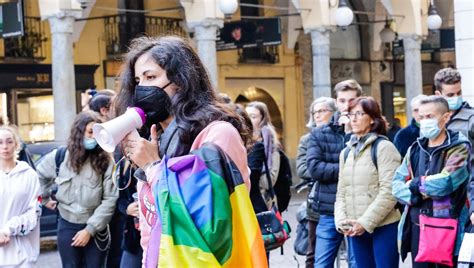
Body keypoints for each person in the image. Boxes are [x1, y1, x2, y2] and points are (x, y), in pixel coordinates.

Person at [116, 36, 265, 267]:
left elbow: (207, 218)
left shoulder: (218, 134)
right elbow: (152, 227)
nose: (142, 88)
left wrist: (152, 167)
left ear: (181, 81)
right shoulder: (159, 141)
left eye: (151, 77)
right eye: (138, 80)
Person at [392, 96, 471, 267]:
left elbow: (446, 182)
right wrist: (416, 197)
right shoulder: (415, 148)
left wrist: (414, 184)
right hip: (417, 228)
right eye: (421, 117)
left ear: (446, 117)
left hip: (446, 227)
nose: (424, 121)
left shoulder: (458, 146)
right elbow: (396, 185)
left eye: (430, 117)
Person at [37, 111, 118, 268]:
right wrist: (44, 199)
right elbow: (39, 176)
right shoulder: (60, 156)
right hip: (67, 224)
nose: (93, 137)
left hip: (96, 227)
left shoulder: (106, 160)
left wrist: (90, 230)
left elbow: (111, 199)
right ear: (79, 133)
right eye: (89, 132)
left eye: (96, 133)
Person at [335, 97, 401, 268]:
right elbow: (342, 191)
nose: (354, 118)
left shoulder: (384, 147)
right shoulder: (346, 152)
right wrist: (342, 221)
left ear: (372, 119)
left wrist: (364, 223)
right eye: (351, 114)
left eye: (360, 113)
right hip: (355, 229)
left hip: (383, 227)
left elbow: (390, 191)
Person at [433, 68, 474, 227]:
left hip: (466, 196)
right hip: (440, 197)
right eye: (450, 95)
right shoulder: (432, 121)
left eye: (459, 92)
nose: (456, 98)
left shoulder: (471, 119)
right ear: (438, 95)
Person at [301, 97, 336, 267]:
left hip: (342, 199)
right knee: (314, 250)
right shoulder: (307, 140)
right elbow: (303, 168)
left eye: (322, 111)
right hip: (317, 200)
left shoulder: (343, 135)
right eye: (315, 112)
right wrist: (321, 171)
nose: (317, 115)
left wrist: (324, 168)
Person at [0, 125, 41, 267]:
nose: (5, 146)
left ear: (16, 144)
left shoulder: (29, 175)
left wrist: (8, 229)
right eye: (0, 142)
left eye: (9, 141)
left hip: (22, 256)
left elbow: (34, 212)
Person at [246, 101, 281, 209]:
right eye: (246, 116)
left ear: (262, 119)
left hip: (262, 199)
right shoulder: (242, 140)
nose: (249, 120)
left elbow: (269, 181)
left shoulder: (271, 145)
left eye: (253, 116)